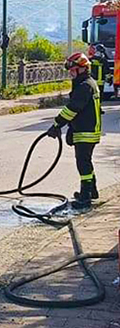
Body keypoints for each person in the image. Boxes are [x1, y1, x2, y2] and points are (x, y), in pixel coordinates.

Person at [48, 52, 102, 210]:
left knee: (83, 163)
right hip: (87, 129)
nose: (71, 73)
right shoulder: (87, 83)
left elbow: (73, 109)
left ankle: (85, 197)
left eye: (73, 70)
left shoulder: (85, 86)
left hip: (87, 131)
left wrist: (57, 124)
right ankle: (92, 191)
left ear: (82, 69)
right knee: (86, 160)